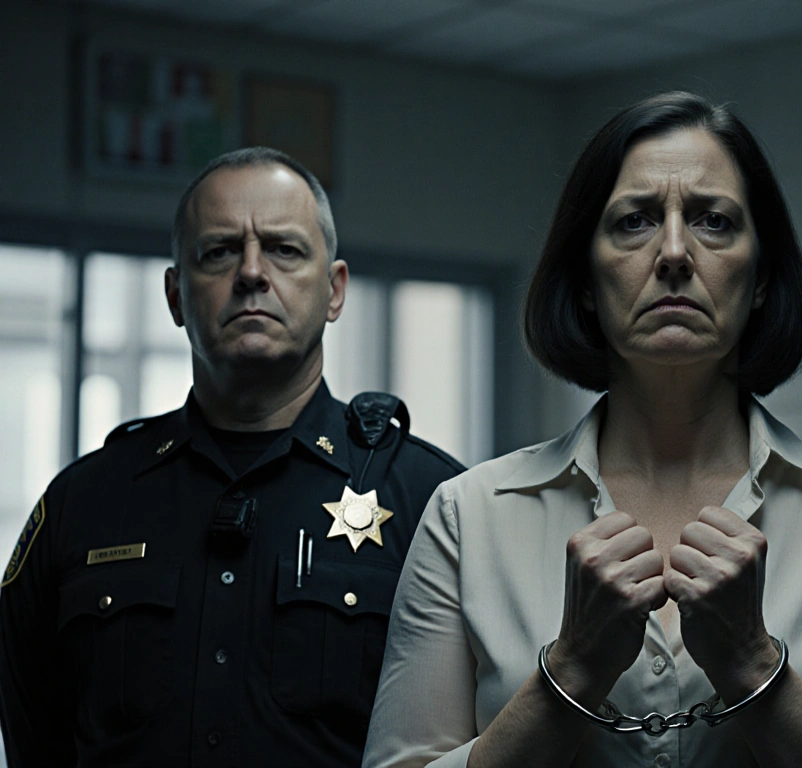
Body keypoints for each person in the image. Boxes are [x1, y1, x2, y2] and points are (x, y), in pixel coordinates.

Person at [363, 91, 802, 768]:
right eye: (635, 221)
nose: (676, 252)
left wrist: (752, 667)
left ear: (764, 276)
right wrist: (570, 673)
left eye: (714, 220)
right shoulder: (466, 519)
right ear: (587, 279)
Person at [0, 147, 466, 766]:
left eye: (284, 249)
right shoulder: (83, 502)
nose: (251, 272)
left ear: (334, 290)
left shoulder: (432, 499)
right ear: (174, 295)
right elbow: (34, 731)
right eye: (218, 251)